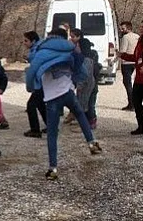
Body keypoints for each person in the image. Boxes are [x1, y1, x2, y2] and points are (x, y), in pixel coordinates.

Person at [26, 28, 102, 180]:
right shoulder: (70, 50)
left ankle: (53, 169)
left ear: (50, 37)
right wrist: (74, 81)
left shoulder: (41, 51)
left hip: (52, 97)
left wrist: (31, 86)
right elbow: (82, 71)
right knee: (80, 115)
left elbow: (32, 69)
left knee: (52, 134)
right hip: (67, 92)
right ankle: (91, 142)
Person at [70, 29, 100, 129]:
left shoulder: (85, 59)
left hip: (87, 85)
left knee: (86, 105)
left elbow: (85, 74)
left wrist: (80, 85)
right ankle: (85, 122)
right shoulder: (89, 56)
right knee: (86, 103)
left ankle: (87, 123)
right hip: (90, 83)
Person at [23, 31, 47, 138]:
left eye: (26, 41)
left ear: (33, 41)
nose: (24, 43)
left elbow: (36, 66)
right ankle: (51, 126)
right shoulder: (37, 49)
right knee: (40, 105)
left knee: (31, 105)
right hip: (42, 82)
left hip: (40, 82)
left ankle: (35, 130)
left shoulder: (38, 50)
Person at [118, 21, 139, 111]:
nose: (121, 30)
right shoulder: (137, 36)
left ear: (128, 28)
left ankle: (131, 104)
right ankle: (135, 103)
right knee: (133, 83)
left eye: (123, 28)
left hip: (126, 62)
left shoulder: (125, 37)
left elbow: (122, 51)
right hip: (135, 61)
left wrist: (114, 60)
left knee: (127, 83)